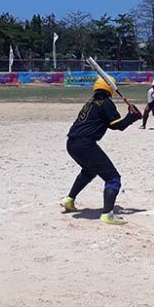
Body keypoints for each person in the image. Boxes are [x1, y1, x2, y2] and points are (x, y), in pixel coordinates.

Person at [60, 75, 143, 225]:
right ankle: (107, 215)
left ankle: (69, 200)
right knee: (113, 178)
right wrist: (133, 117)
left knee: (89, 170)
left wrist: (131, 117)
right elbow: (118, 126)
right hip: (85, 145)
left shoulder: (91, 102)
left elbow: (111, 124)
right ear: (110, 88)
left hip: (72, 144)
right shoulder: (106, 103)